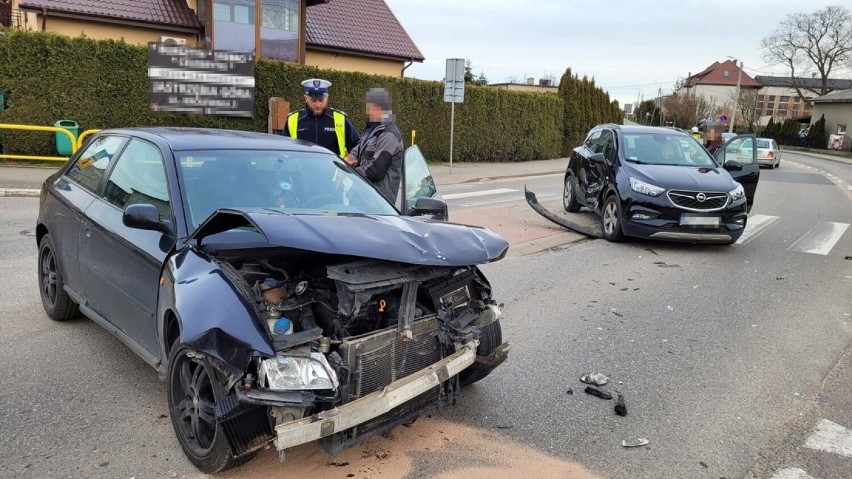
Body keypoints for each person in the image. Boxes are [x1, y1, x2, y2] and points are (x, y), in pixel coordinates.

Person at [345, 87, 403, 204]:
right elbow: (357, 150)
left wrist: (351, 170)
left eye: (370, 107)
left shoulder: (389, 134)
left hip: (378, 202)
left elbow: (376, 171)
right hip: (363, 196)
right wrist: (350, 158)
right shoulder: (372, 130)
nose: (368, 111)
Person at [282, 78, 360, 159]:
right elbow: (285, 149)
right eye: (313, 100)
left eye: (321, 100)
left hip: (333, 170)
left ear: (327, 98)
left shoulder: (339, 118)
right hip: (301, 170)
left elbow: (357, 144)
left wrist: (352, 157)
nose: (318, 105)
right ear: (305, 98)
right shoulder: (293, 119)